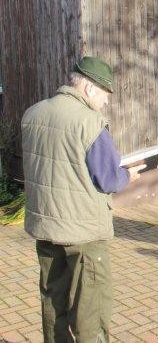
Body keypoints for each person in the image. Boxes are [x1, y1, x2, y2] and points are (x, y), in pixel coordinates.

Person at [22, 56, 145, 342]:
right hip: (84, 233)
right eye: (104, 95)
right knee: (90, 311)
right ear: (89, 89)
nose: (105, 103)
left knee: (53, 304)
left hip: (46, 227)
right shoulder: (90, 122)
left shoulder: (33, 114)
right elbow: (108, 179)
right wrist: (128, 175)